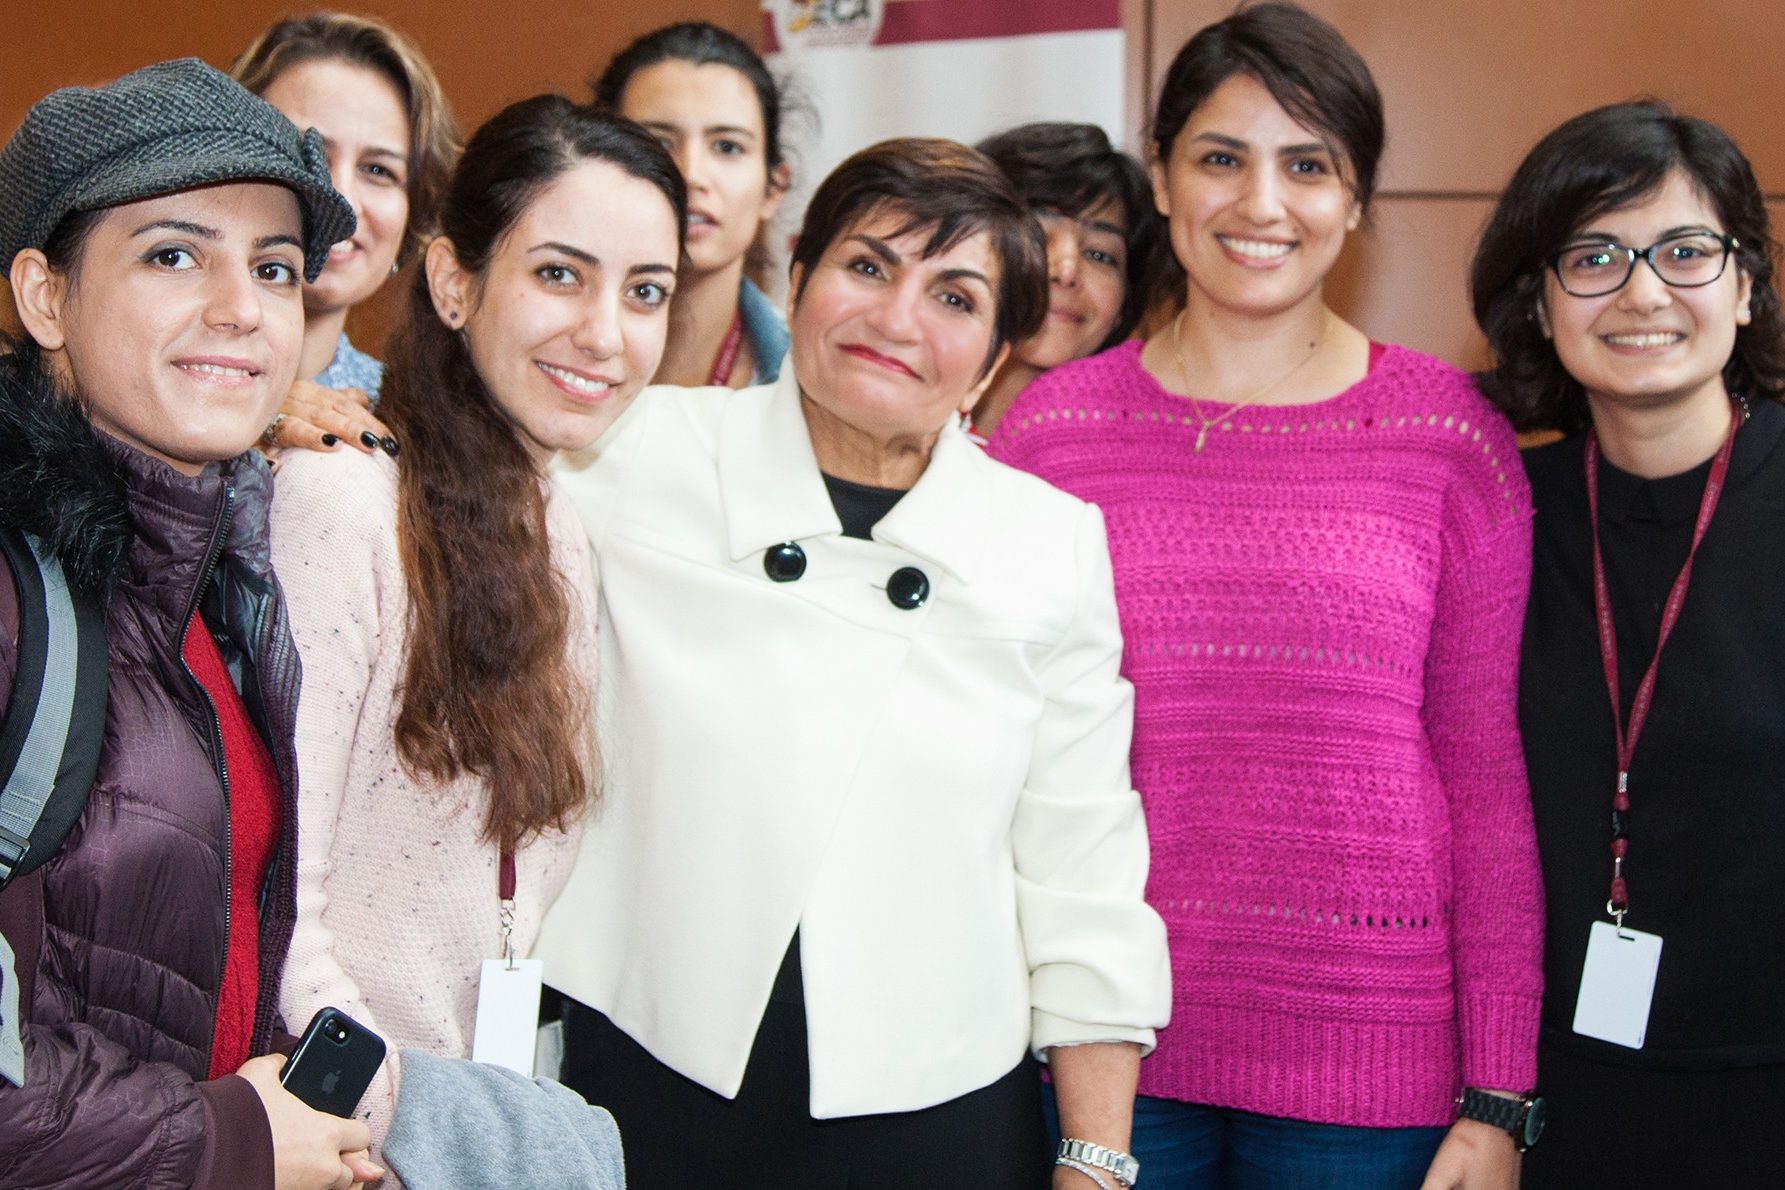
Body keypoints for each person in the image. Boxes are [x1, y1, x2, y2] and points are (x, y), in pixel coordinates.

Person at [537, 137, 1170, 1190]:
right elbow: (445, 474)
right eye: (868, 266)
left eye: (956, 297)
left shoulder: (1045, 540)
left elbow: (1083, 869)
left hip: (937, 1109)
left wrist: (1095, 1159)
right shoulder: (629, 449)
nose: (897, 320)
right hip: (648, 1072)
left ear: (999, 355)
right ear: (795, 277)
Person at [986, 5, 1544, 1187]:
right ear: (1163, 177)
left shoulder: (1451, 438)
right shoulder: (1049, 434)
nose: (1262, 204)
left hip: (1371, 1064)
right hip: (1100, 1050)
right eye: (1221, 158)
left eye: (1309, 166)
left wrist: (1499, 1091)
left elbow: (1485, 777)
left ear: (1356, 200)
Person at [268, 95, 683, 1160]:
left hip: (470, 1107)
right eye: (560, 273)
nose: (606, 332)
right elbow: (279, 900)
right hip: (349, 1135)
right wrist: (381, 1121)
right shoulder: (343, 502)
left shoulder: (556, 528)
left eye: (646, 292)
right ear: (454, 281)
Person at [0, 58, 379, 1189]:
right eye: (174, 254)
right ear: (44, 295)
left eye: (272, 267)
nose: (239, 307)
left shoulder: (219, 580)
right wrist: (233, 1138)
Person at [1470, 102, 1785, 1189]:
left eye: (1687, 251)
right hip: (1556, 1107)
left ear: (1746, 285)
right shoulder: (1501, 506)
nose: (1644, 291)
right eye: (1595, 255)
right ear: (1539, 299)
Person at [232, 10, 461, 451]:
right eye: (306, 152)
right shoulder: (122, 369)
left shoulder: (415, 423)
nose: (342, 199)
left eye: (378, 170)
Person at [593, 21, 790, 387]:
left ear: (774, 188)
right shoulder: (533, 352)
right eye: (659, 143)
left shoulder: (808, 381)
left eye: (727, 146)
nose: (691, 175)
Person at [970, 122, 1160, 440]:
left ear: (1123, 309)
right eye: (1038, 237)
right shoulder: (894, 423)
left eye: (1100, 255)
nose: (1066, 271)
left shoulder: (1134, 457)